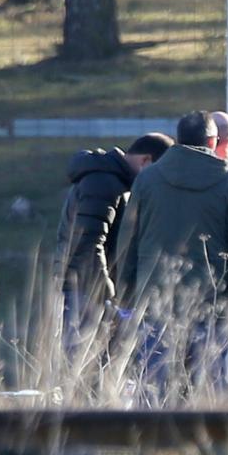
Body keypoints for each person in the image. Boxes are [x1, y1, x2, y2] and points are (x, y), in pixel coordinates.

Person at [115, 110, 228, 314]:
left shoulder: (147, 179)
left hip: (151, 300)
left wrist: (124, 296)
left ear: (178, 139)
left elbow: (128, 241)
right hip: (207, 303)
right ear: (212, 142)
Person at [55, 133, 174, 347]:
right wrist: (109, 296)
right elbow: (89, 244)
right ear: (145, 161)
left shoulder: (112, 181)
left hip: (87, 289)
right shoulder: (103, 183)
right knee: (82, 367)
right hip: (86, 290)